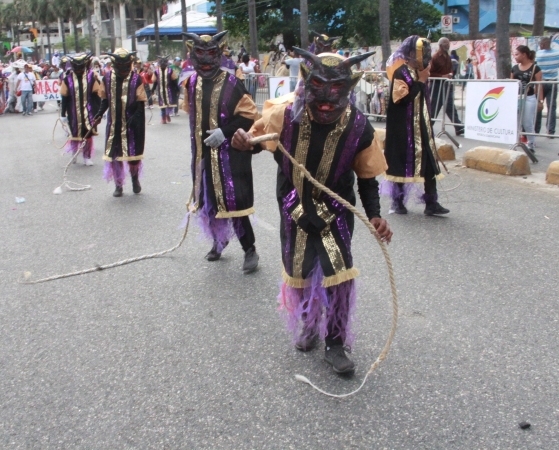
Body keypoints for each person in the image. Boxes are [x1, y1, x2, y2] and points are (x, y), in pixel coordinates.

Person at [231, 48, 392, 374]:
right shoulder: (283, 115)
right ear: (306, 85)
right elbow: (256, 140)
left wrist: (374, 214)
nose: (327, 103)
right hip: (294, 206)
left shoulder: (359, 127)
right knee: (300, 270)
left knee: (339, 273)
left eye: (336, 92)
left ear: (348, 90)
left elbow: (367, 177)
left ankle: (335, 342)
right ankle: (308, 321)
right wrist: (243, 142)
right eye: (319, 90)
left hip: (336, 210)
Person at [179, 31, 260, 273]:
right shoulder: (190, 83)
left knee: (234, 202)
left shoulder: (233, 84)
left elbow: (250, 116)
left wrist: (224, 132)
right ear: (192, 55)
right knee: (209, 202)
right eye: (200, 54)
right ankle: (219, 242)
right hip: (202, 155)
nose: (205, 60)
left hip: (229, 157)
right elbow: (191, 115)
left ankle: (250, 249)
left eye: (211, 54)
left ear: (220, 54)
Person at [383, 35, 449, 216]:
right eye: (423, 53)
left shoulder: (422, 71)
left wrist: (422, 78)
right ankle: (397, 202)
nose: (427, 57)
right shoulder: (401, 73)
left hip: (422, 128)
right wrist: (420, 81)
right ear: (412, 53)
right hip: (404, 130)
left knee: (429, 164)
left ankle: (431, 203)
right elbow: (401, 100)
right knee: (401, 164)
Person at [92, 49, 146, 197]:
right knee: (115, 155)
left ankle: (135, 179)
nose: (123, 69)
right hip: (114, 124)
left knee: (133, 155)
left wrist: (135, 118)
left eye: (126, 66)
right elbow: (105, 101)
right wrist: (99, 114)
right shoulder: (107, 78)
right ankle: (118, 185)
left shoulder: (136, 78)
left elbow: (140, 103)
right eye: (120, 66)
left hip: (132, 124)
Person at [60, 52, 102, 166]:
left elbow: (96, 96)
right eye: (76, 67)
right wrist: (63, 114)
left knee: (87, 134)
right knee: (75, 134)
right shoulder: (67, 79)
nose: (78, 70)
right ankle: (74, 153)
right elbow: (65, 98)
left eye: (81, 67)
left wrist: (100, 111)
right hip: (73, 112)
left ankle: (87, 157)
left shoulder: (91, 78)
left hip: (89, 112)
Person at [511, 45, 543, 153]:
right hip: (516, 97)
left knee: (527, 122)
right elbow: (511, 83)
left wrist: (540, 101)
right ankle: (515, 142)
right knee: (515, 121)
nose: (515, 56)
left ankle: (531, 144)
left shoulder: (535, 68)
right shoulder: (514, 68)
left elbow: (539, 85)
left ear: (524, 55)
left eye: (517, 54)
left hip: (529, 97)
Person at [429, 37, 464, 136]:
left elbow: (449, 71)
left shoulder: (448, 57)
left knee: (450, 107)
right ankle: (428, 127)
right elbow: (429, 73)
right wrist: (442, 76)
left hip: (446, 85)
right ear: (440, 45)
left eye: (448, 43)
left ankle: (458, 127)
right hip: (436, 86)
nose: (448, 45)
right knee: (434, 108)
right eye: (446, 43)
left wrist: (449, 76)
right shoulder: (435, 57)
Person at [535, 37, 559, 137]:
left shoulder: (538, 54)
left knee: (538, 106)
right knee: (552, 107)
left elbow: (536, 68)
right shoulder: (558, 53)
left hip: (541, 82)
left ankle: (536, 129)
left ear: (542, 44)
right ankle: (551, 131)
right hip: (553, 81)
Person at [151, 56, 178, 124]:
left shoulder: (170, 71)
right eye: (161, 62)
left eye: (164, 62)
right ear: (159, 63)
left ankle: (167, 114)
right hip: (161, 91)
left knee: (169, 103)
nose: (163, 64)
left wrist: (177, 89)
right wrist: (153, 89)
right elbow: (155, 82)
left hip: (169, 90)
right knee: (162, 104)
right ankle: (163, 117)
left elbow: (174, 81)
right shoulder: (156, 72)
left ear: (166, 63)